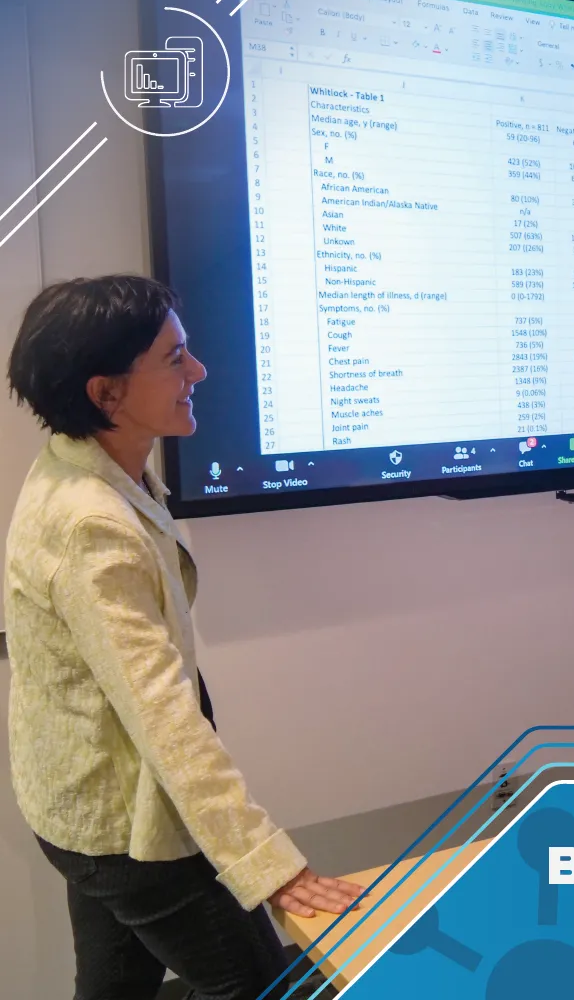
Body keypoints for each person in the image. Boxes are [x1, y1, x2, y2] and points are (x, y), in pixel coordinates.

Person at [4, 275, 364, 999]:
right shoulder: (91, 524)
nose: (197, 372)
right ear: (106, 394)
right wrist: (269, 864)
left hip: (80, 812)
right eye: (175, 359)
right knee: (268, 987)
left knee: (114, 988)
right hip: (124, 829)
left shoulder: (92, 472)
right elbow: (164, 718)